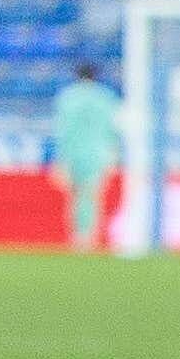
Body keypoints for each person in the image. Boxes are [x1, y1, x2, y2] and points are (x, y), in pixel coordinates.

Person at [49, 58, 127, 250]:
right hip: (98, 153)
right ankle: (89, 238)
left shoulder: (67, 97)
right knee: (92, 196)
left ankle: (77, 237)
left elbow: (62, 131)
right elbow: (114, 130)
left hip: (73, 153)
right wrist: (114, 154)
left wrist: (59, 160)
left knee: (74, 197)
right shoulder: (106, 97)